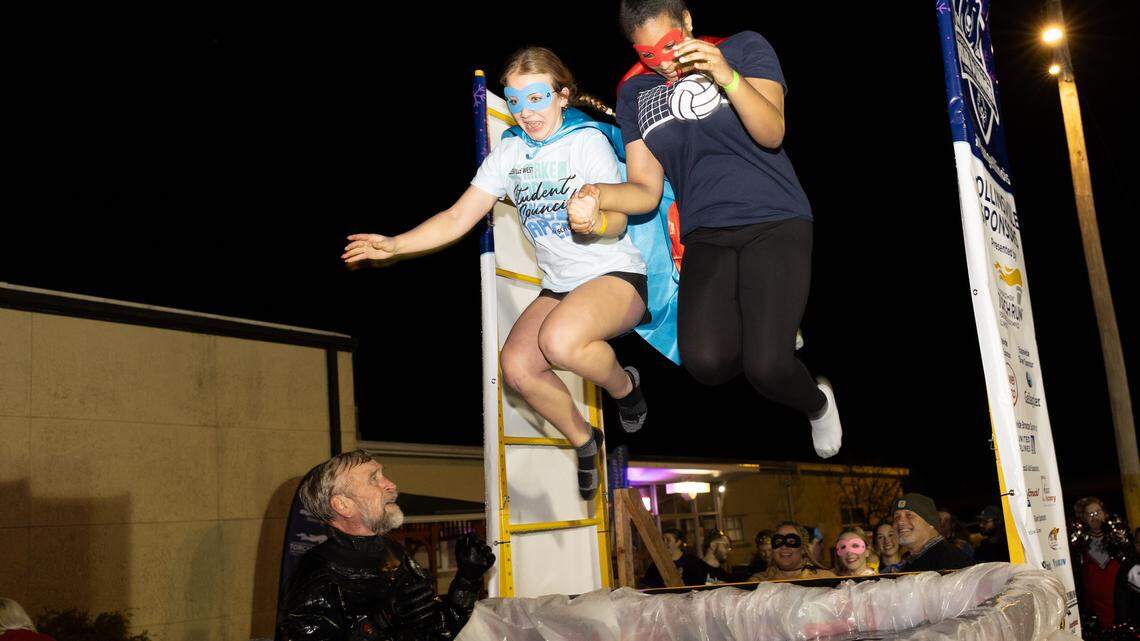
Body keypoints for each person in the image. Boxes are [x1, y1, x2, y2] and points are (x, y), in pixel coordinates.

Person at [342, 47, 651, 501]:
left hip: (614, 275)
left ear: (563, 96)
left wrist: (593, 219)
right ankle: (586, 441)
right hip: (561, 285)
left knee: (560, 343)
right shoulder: (508, 154)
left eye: (538, 97)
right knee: (517, 367)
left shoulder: (585, 141)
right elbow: (455, 218)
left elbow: (621, 219)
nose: (527, 112)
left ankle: (626, 387)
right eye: (515, 100)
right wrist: (396, 244)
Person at [569, 0, 842, 459]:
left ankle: (817, 403)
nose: (664, 60)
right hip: (705, 235)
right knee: (707, 364)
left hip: (773, 218)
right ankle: (764, 317)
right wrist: (598, 193)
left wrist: (726, 75)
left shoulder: (742, 47)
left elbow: (772, 132)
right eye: (648, 53)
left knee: (768, 367)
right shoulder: (634, 90)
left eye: (671, 45)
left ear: (688, 23)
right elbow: (644, 190)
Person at [277, 450, 495, 641]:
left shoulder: (395, 553)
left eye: (383, 474)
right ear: (343, 504)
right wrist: (377, 623)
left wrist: (467, 580)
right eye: (374, 478)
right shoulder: (316, 574)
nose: (391, 484)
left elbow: (440, 631)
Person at [1069, 496, 1137, 632]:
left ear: (1105, 514)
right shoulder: (1079, 543)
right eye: (1090, 514)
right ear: (1084, 518)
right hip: (1095, 604)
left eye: (1098, 512)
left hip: (1118, 599)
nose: (1095, 517)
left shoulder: (1119, 537)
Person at [891, 493, 971, 572]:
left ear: (930, 523)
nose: (900, 521)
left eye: (909, 515)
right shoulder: (910, 563)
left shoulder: (951, 562)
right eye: (896, 516)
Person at [753, 522, 835, 581]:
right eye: (778, 542)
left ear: (803, 549)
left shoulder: (825, 579)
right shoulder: (757, 582)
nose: (784, 547)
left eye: (791, 541)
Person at [640, 527, 708, 587]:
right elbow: (648, 583)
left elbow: (700, 582)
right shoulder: (658, 563)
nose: (664, 543)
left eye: (668, 540)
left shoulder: (692, 562)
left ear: (678, 542)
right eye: (663, 540)